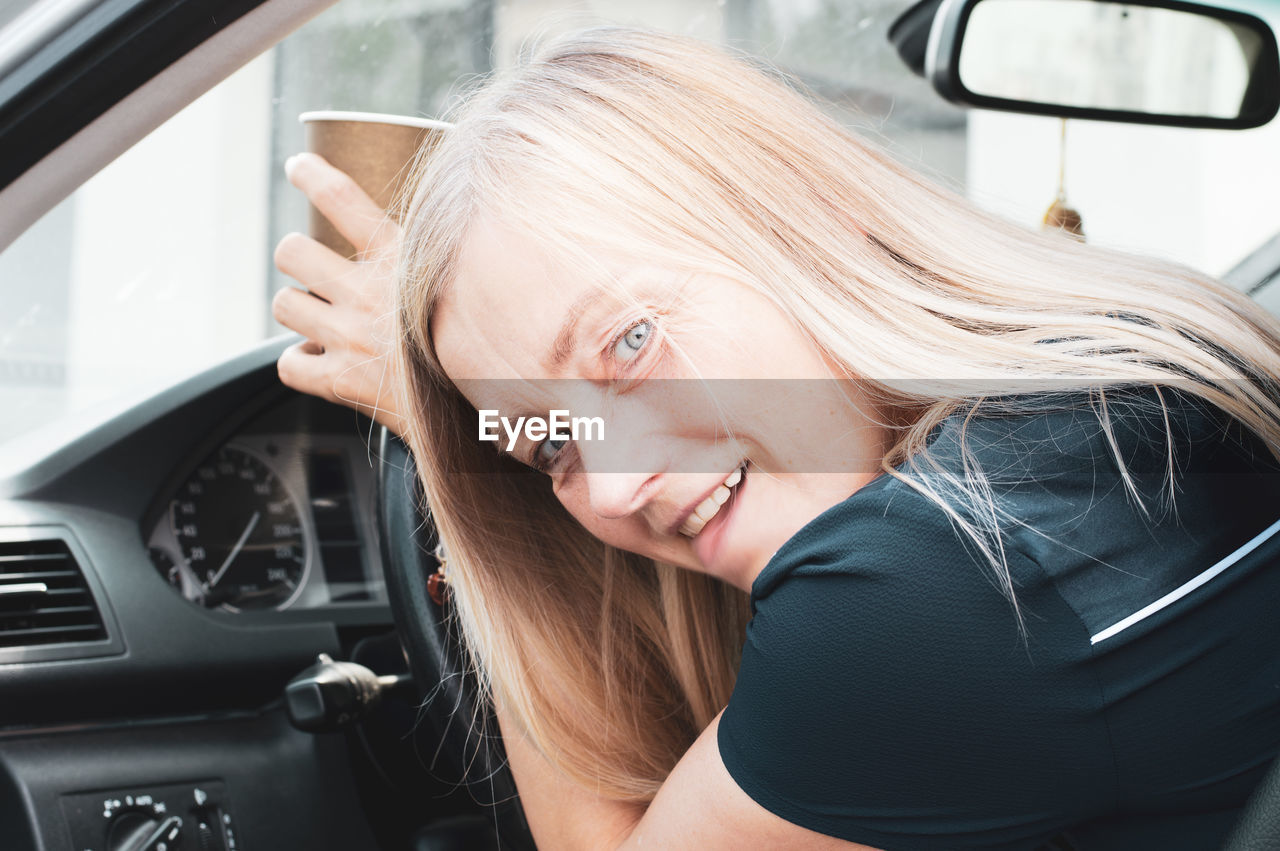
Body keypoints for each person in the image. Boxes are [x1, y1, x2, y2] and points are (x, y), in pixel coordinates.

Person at [272, 27, 1280, 851]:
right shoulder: (1133, 388)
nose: (617, 486)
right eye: (546, 446)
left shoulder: (927, 584)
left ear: (803, 223)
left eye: (630, 341)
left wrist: (443, 470)